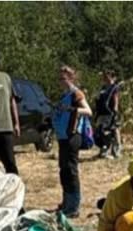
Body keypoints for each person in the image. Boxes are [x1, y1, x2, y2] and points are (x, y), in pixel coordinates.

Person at [52, 65, 91, 218]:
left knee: (71, 170)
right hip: (62, 136)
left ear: (71, 78)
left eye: (64, 78)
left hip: (73, 135)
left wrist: (72, 110)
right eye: (60, 78)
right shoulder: (64, 95)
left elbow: (88, 111)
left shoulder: (76, 94)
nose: (61, 81)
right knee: (64, 170)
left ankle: (74, 206)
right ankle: (66, 202)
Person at [95, 70, 122, 159]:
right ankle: (104, 149)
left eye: (107, 76)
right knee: (101, 131)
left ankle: (116, 150)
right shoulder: (103, 88)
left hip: (110, 112)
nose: (105, 78)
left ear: (112, 77)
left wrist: (115, 111)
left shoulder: (115, 87)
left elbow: (116, 99)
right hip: (101, 112)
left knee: (114, 129)